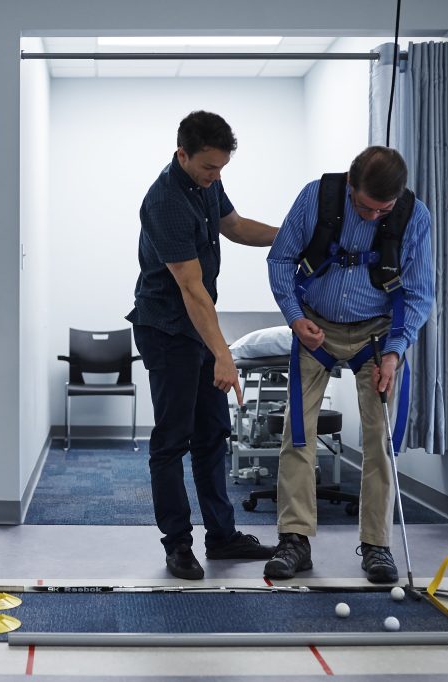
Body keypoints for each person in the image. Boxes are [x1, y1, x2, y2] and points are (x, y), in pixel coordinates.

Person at [264, 146, 434, 583]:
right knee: (297, 432)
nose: (375, 217)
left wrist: (395, 351)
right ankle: (294, 540)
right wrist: (295, 318)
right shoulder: (315, 197)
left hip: (377, 335)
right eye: (365, 207)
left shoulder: (415, 217)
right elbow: (281, 258)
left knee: (380, 438)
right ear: (351, 184)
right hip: (314, 327)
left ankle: (377, 545)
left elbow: (418, 293)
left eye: (385, 209)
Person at [126, 110, 280, 580]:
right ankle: (177, 545)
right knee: (172, 441)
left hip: (198, 324)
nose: (217, 177)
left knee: (213, 436)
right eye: (209, 167)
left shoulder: (206, 184)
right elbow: (191, 288)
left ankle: (222, 536)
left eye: (222, 168)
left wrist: (294, 237)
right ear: (183, 155)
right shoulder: (165, 202)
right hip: (168, 329)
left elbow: (235, 227)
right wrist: (223, 353)